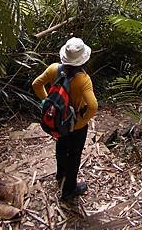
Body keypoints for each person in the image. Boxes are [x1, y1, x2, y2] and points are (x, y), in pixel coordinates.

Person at [32, 37, 98, 200]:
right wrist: (81, 121)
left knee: (61, 145)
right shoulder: (83, 79)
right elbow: (93, 106)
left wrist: (46, 102)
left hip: (59, 122)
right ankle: (69, 190)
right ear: (83, 58)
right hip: (75, 124)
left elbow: (36, 84)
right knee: (74, 154)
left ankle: (60, 174)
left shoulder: (54, 69)